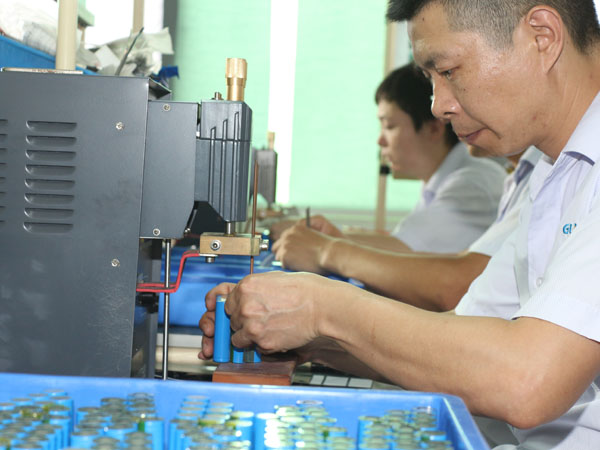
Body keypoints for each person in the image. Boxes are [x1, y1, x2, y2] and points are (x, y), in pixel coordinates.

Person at [200, 1, 600, 447]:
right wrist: (313, 339)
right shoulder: (555, 172)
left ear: (542, 36)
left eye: (448, 71)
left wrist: (321, 306)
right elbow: (462, 338)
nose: (438, 106)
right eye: (431, 81)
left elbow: (526, 381)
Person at [271, 64, 507, 254]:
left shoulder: (474, 184)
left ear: (434, 128)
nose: (380, 140)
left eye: (390, 126)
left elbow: (405, 251)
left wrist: (318, 241)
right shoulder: (438, 183)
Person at [273, 146, 540, 310]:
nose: (441, 108)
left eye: (390, 125)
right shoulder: (519, 176)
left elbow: (455, 284)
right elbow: (463, 264)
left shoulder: (477, 179)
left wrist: (327, 251)